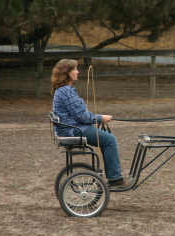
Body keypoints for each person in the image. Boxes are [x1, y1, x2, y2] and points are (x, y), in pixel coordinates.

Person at [51, 59, 129, 189]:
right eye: (74, 69)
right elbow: (81, 116)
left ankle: (114, 177)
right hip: (74, 129)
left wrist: (98, 118)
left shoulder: (63, 90)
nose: (77, 72)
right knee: (110, 139)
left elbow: (80, 114)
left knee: (106, 138)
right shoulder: (66, 91)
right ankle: (115, 179)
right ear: (66, 72)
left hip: (72, 127)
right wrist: (100, 118)